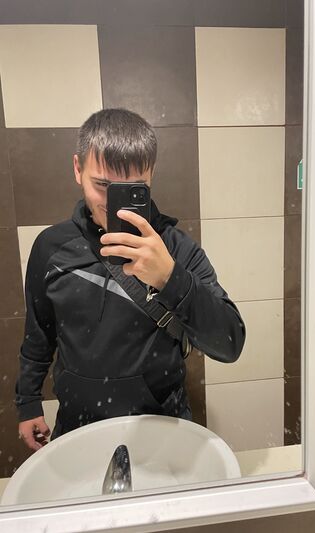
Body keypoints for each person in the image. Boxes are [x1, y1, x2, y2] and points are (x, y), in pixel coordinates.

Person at [15, 108, 246, 451]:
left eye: (131, 188)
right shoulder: (51, 247)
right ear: (77, 169)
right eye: (102, 185)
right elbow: (40, 333)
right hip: (77, 426)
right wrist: (28, 401)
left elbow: (229, 344)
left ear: (151, 173)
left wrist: (170, 277)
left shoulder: (175, 248)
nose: (113, 204)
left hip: (163, 425)